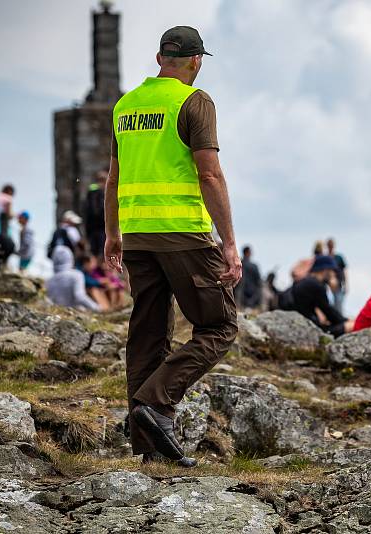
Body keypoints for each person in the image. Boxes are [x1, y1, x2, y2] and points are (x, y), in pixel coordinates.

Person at [103, 26, 241, 468]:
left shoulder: (126, 105)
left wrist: (113, 233)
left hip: (138, 235)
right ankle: (156, 402)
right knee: (219, 327)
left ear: (159, 58)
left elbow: (113, 177)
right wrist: (230, 243)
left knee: (147, 334)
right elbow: (210, 175)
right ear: (197, 61)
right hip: (183, 233)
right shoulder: (193, 101)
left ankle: (150, 452)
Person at [287, 255, 353, 337]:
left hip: (300, 324)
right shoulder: (316, 286)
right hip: (308, 331)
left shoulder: (307, 281)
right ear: (325, 270)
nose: (333, 274)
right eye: (332, 271)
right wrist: (345, 321)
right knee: (350, 326)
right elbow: (328, 311)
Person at [45, 246, 100, 311]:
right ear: (70, 258)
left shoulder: (49, 281)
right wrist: (96, 308)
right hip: (74, 311)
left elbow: (49, 301)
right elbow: (80, 297)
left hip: (57, 312)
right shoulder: (76, 275)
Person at [84, 170, 108, 256]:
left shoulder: (91, 190)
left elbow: (86, 211)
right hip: (103, 228)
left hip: (92, 229)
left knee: (94, 253)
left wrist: (86, 232)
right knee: (104, 252)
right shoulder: (104, 191)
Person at [234, 245, 262, 310]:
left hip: (240, 294)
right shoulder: (254, 266)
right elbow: (258, 281)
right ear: (248, 253)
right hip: (252, 294)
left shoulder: (239, 264)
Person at [327, 238, 347, 313]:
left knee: (338, 303)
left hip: (338, 284)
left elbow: (344, 270)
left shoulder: (339, 257)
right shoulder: (326, 258)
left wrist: (346, 284)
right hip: (328, 285)